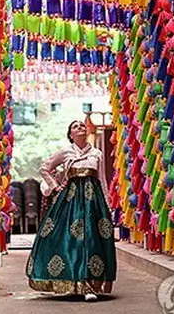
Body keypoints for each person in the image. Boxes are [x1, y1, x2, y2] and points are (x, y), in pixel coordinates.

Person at [25, 120, 116, 302]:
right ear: (71, 134)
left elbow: (102, 180)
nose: (80, 128)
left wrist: (107, 204)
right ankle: (71, 282)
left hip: (93, 202)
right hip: (70, 201)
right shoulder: (66, 152)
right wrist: (55, 186)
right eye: (75, 127)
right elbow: (45, 168)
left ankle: (90, 285)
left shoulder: (96, 153)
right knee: (68, 240)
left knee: (92, 239)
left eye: (82, 126)